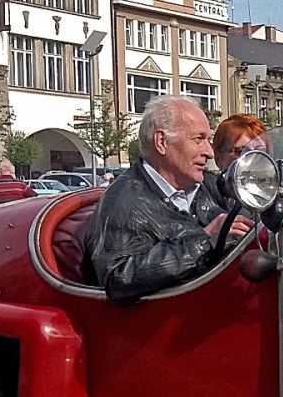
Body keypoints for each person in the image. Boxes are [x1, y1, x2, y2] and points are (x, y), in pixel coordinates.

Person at [85, 96, 253, 305]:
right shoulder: (123, 201)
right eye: (198, 139)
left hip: (223, 304)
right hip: (173, 319)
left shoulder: (209, 185)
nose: (209, 152)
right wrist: (205, 241)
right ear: (162, 142)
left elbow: (253, 227)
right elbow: (118, 277)